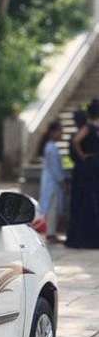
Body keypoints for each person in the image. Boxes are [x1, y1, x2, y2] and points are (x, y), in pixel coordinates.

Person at [66, 101, 99, 248]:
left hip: (94, 165)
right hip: (90, 166)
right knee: (88, 201)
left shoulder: (93, 127)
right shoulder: (89, 127)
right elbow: (76, 141)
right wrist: (83, 155)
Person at [38, 121, 67, 243]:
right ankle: (50, 234)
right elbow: (55, 168)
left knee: (52, 208)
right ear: (53, 132)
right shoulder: (52, 148)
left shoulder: (50, 146)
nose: (61, 134)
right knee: (52, 209)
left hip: (51, 182)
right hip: (53, 183)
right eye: (60, 131)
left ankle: (51, 233)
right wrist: (63, 181)